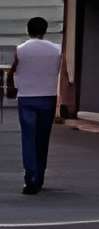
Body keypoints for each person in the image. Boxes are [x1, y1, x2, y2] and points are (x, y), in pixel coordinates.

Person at [8, 15, 62, 194]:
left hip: (27, 97)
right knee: (42, 138)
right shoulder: (57, 49)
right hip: (48, 97)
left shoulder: (21, 49)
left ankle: (30, 175)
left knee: (28, 138)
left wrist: (11, 89)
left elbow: (13, 69)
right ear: (45, 30)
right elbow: (64, 73)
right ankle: (40, 175)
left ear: (28, 30)